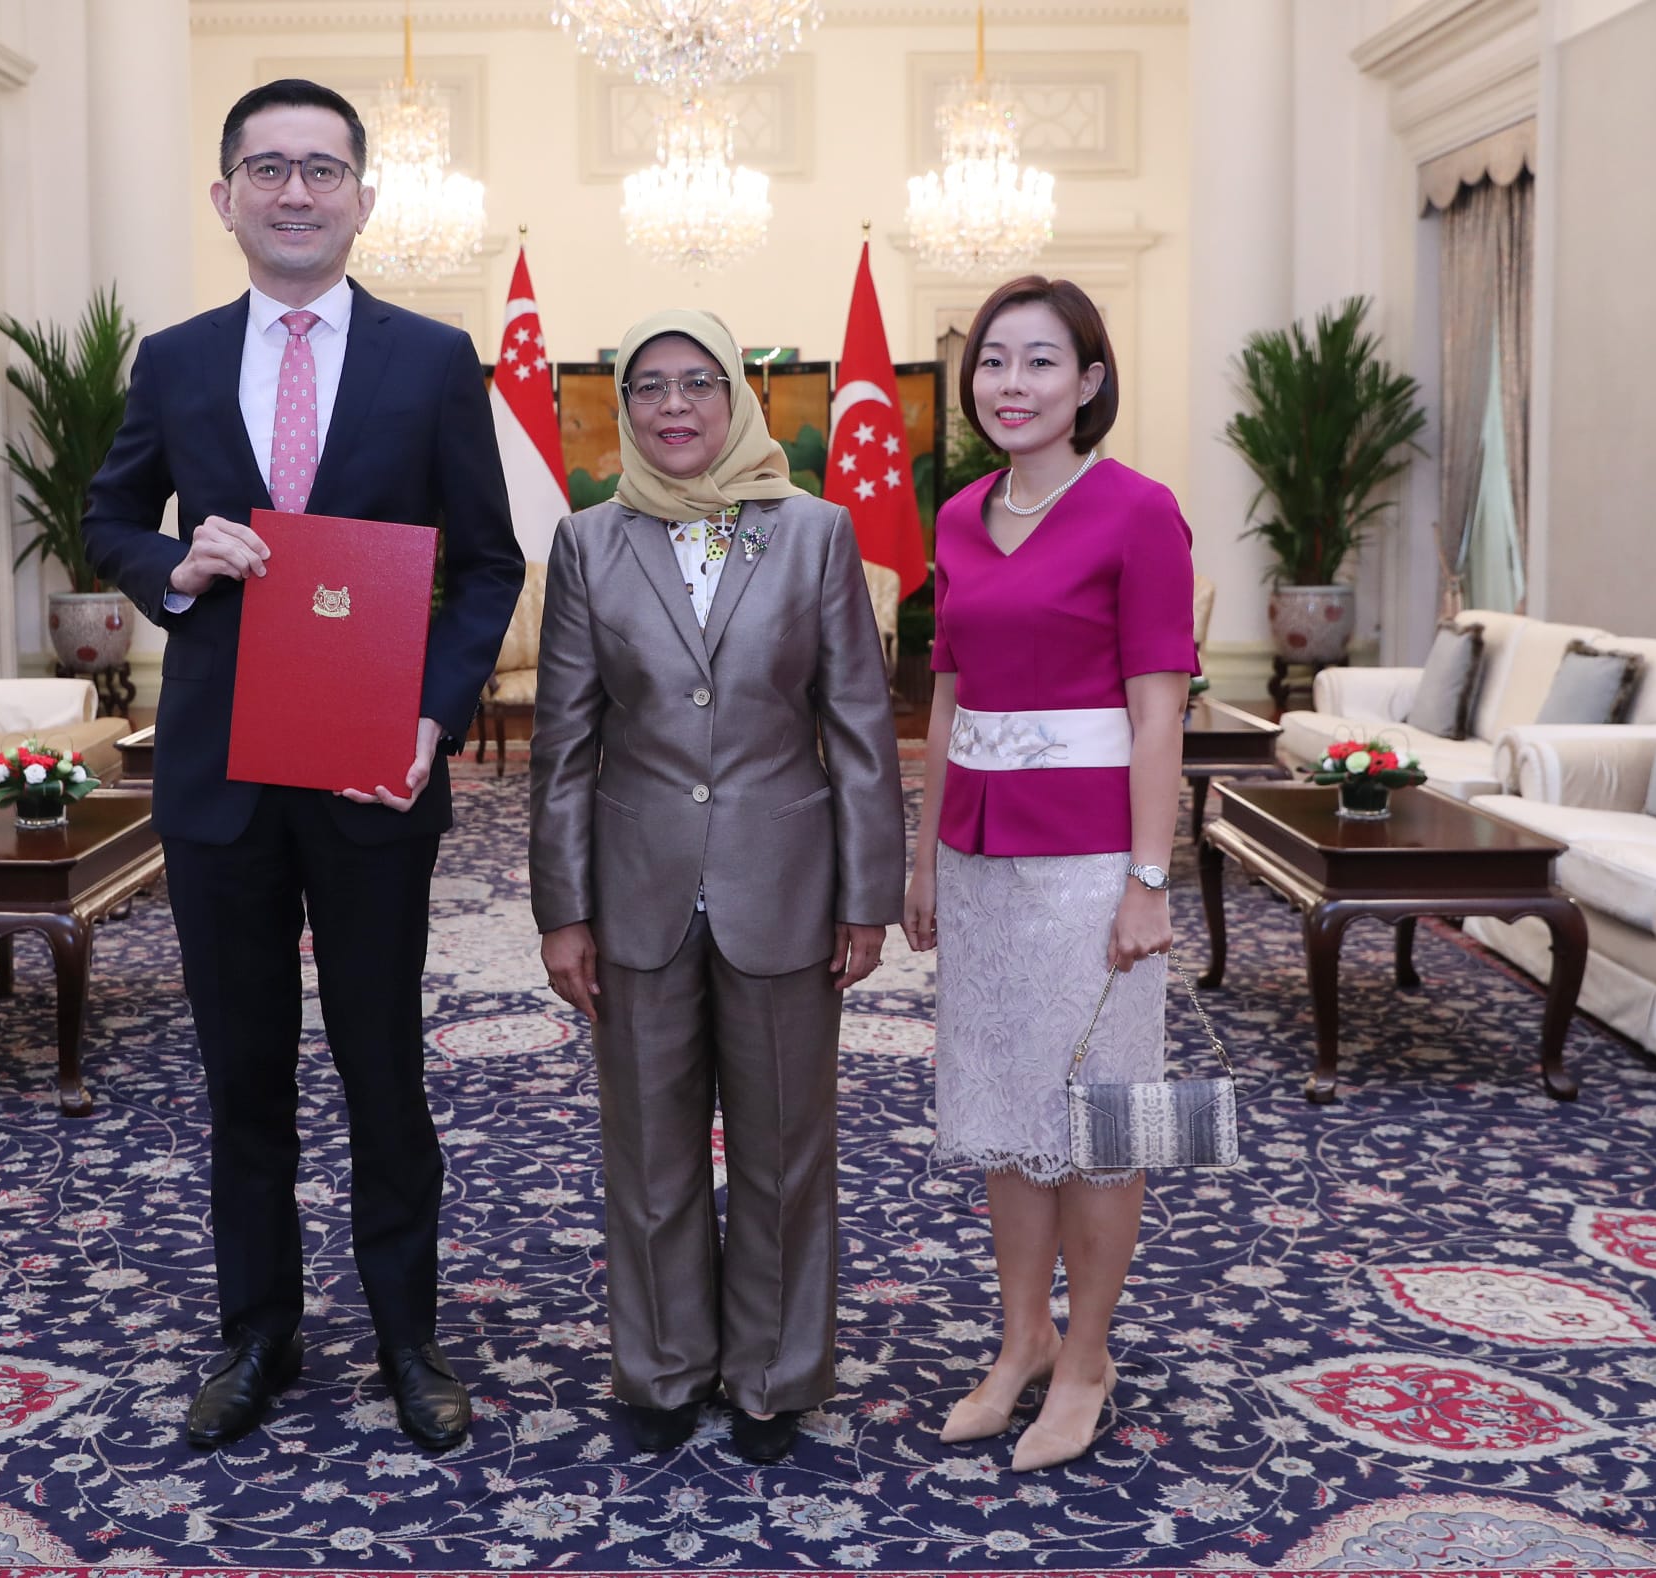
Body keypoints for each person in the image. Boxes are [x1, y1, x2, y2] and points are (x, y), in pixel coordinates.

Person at [83, 79, 524, 1454]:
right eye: (265, 168)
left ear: (360, 197)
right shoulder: (173, 357)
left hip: (368, 771)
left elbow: (489, 564)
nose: (292, 191)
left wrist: (432, 719)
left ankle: (407, 1332)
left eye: (319, 169)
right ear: (223, 197)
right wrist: (175, 560)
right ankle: (256, 1329)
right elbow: (107, 517)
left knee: (382, 1063)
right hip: (219, 774)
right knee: (243, 1070)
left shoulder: (434, 357)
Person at [528, 310, 905, 1465]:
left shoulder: (816, 533)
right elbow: (563, 744)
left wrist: (865, 893)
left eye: (698, 383)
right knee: (647, 1148)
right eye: (650, 386)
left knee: (786, 1150)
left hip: (784, 883)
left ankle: (773, 1377)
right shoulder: (589, 543)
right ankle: (659, 1369)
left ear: (738, 396)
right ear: (623, 407)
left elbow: (856, 726)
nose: (675, 405)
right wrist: (562, 910)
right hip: (635, 887)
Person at [900, 276, 1197, 1474]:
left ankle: (1086, 1355)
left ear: (1088, 382)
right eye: (991, 364)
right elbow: (948, 689)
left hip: (1091, 865)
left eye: (1037, 364)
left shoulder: (1138, 510)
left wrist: (1147, 879)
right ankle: (1019, 1339)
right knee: (1006, 1117)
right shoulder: (961, 513)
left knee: (1101, 1120)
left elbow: (1158, 711)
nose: (1008, 386)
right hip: (980, 860)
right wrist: (920, 852)